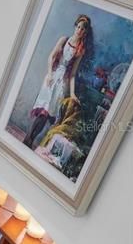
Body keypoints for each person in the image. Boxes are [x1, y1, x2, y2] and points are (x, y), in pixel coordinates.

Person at [23, 15, 92, 148]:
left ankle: (30, 140)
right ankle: (28, 139)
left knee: (48, 113)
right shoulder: (64, 39)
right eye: (78, 27)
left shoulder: (80, 50)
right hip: (53, 76)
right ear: (75, 27)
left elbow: (73, 74)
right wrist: (50, 73)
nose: (79, 30)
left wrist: (72, 93)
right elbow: (51, 56)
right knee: (43, 109)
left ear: (85, 32)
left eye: (83, 29)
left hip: (62, 83)